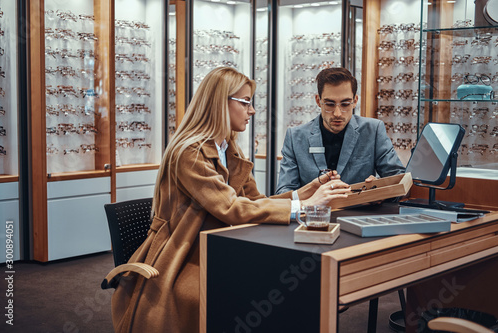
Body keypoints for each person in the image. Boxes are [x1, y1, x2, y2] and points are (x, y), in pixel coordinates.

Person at [111, 67, 350, 333]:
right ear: (219, 102)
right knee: (263, 290)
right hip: (182, 256)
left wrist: (306, 191)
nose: (252, 111)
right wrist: (305, 207)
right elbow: (231, 207)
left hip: (218, 245)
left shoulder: (228, 147)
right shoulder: (189, 152)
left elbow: (255, 201)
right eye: (245, 102)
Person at [276, 67, 405, 195]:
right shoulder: (295, 137)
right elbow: (283, 193)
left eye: (345, 104)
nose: (337, 113)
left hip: (358, 214)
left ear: (355, 101)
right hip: (313, 214)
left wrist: (379, 189)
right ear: (318, 101)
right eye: (330, 104)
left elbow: (400, 180)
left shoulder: (373, 131)